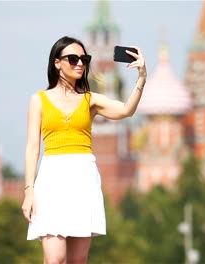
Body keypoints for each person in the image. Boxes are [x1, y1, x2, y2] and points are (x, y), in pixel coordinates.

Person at [21, 36, 146, 264]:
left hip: (83, 177)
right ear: (57, 62)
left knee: (78, 260)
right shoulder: (38, 100)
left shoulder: (90, 100)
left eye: (84, 59)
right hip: (52, 178)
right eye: (73, 58)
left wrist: (142, 77)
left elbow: (127, 110)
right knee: (55, 259)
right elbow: (32, 147)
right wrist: (29, 190)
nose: (80, 63)